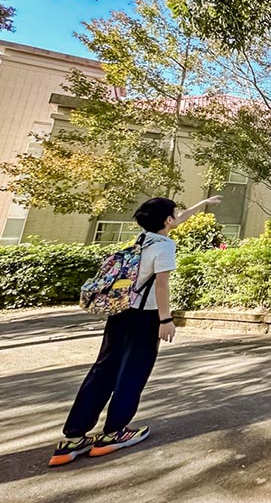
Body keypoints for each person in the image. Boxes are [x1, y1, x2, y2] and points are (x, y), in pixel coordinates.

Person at [48, 195, 222, 466]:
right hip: (146, 317)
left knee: (103, 369)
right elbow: (162, 285)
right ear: (167, 220)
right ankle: (114, 433)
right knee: (134, 372)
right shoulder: (165, 245)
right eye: (173, 214)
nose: (177, 217)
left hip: (120, 313)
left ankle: (72, 439)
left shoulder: (141, 241)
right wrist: (166, 320)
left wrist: (203, 204)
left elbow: (178, 220)